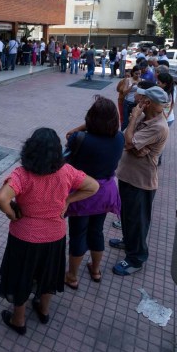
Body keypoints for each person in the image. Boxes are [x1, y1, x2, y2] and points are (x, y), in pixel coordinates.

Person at [0, 128, 99, 335]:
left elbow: (1, 198)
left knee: (21, 276)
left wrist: (11, 214)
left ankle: (19, 320)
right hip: (54, 236)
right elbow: (93, 186)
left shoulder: (22, 175)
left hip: (23, 237)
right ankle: (43, 310)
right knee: (48, 273)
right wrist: (68, 200)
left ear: (30, 149)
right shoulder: (67, 172)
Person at [63, 97, 124, 289]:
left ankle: (72, 276)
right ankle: (96, 270)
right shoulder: (119, 138)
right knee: (96, 231)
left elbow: (70, 137)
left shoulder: (81, 139)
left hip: (82, 193)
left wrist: (83, 127)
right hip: (105, 192)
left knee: (78, 233)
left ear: (90, 119)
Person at [109, 86, 170, 276]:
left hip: (141, 182)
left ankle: (136, 258)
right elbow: (125, 136)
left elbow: (128, 142)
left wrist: (134, 118)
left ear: (148, 102)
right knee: (127, 215)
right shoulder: (147, 118)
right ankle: (128, 242)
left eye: (141, 99)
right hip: (128, 176)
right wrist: (134, 145)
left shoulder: (157, 125)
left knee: (138, 221)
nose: (138, 101)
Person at [157, 71, 175, 165]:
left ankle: (157, 160)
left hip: (165, 119)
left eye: (159, 82)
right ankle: (157, 159)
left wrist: (166, 117)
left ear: (165, 84)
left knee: (159, 141)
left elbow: (170, 105)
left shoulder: (166, 93)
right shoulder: (168, 90)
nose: (157, 84)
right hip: (166, 118)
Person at [120, 66, 142, 131]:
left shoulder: (142, 80)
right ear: (132, 72)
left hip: (137, 104)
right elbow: (124, 92)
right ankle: (122, 135)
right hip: (128, 103)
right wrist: (132, 86)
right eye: (136, 73)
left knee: (135, 121)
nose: (138, 75)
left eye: (139, 74)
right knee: (125, 121)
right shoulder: (128, 80)